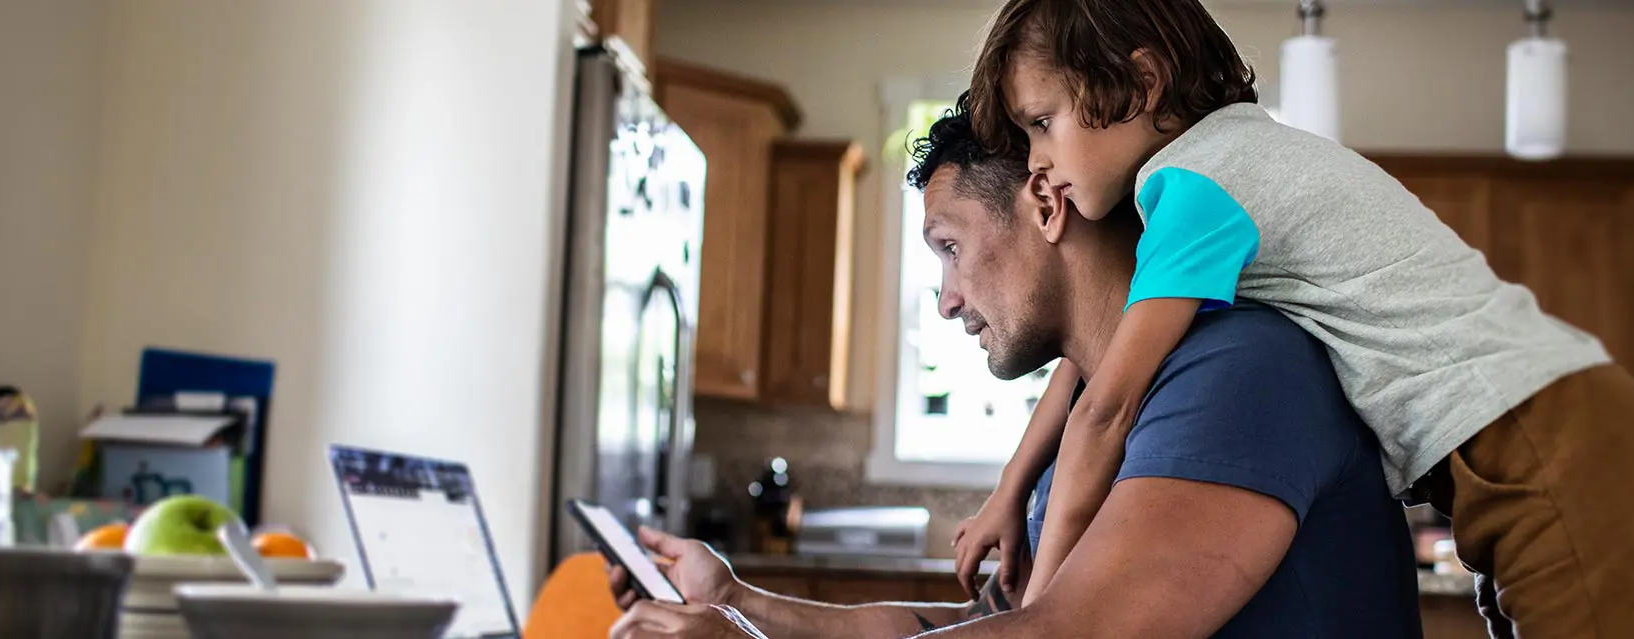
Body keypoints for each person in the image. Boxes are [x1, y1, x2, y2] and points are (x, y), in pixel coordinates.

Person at [947, 1, 1634, 636]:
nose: (1036, 160)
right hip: (1534, 443)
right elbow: (1099, 358)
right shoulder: (1224, 162)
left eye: (1042, 122)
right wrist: (1013, 486)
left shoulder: (1197, 186)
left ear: (1143, 82)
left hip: (1550, 440)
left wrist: (1042, 618)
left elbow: (1107, 408)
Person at [607, 104, 1420, 639]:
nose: (945, 300)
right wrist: (739, 602)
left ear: (1046, 204)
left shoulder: (1241, 369)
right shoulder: (1088, 407)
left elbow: (1060, 635)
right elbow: (985, 624)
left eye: (950, 247)